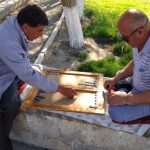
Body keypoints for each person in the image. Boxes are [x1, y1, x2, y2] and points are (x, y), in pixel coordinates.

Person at [0, 4, 77, 150]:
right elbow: (27, 74)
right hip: (4, 76)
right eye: (39, 30)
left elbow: (23, 66)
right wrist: (59, 88)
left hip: (11, 70)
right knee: (10, 105)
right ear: (26, 26)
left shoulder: (16, 23)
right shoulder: (7, 42)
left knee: (36, 76)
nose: (41, 34)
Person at [104, 9, 150, 123]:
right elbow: (136, 61)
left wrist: (126, 99)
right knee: (109, 85)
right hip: (140, 83)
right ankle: (127, 88)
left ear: (140, 32)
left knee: (116, 112)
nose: (123, 41)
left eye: (125, 38)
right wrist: (117, 78)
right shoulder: (140, 40)